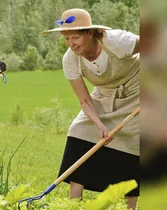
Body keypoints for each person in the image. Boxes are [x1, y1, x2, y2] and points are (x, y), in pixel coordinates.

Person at [42, 9, 140, 209]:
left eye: (75, 37)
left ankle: (131, 206)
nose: (71, 43)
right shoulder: (70, 59)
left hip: (138, 92)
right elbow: (85, 100)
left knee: (133, 144)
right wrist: (99, 124)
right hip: (104, 96)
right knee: (79, 132)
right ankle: (74, 204)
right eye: (67, 38)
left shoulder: (116, 41)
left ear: (90, 33)